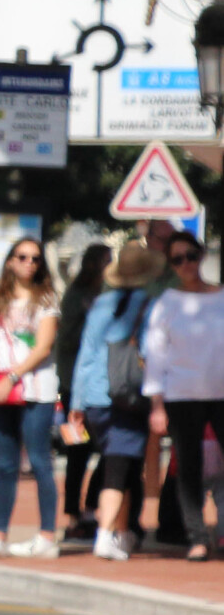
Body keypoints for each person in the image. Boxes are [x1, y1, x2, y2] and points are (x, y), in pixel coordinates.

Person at [67, 242, 160, 560]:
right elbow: (151, 353)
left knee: (123, 464)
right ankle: (105, 534)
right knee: (118, 469)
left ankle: (123, 533)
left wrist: (76, 404)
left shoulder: (101, 304)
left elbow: (86, 355)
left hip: (95, 398)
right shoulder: (149, 306)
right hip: (128, 397)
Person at [0, 239, 60, 557]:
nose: (29, 263)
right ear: (10, 261)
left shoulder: (46, 299)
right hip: (2, 391)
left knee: (40, 462)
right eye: (22, 257)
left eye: (35, 259)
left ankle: (47, 535)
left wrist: (12, 378)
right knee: (5, 464)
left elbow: (43, 347)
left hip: (35, 390)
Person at [145, 232, 224, 562]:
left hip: (220, 394)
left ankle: (220, 532)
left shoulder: (221, 297)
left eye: (190, 256)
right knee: (188, 469)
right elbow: (155, 356)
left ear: (201, 255)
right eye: (178, 259)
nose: (186, 264)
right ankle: (196, 537)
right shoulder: (166, 303)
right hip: (181, 395)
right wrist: (157, 405)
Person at [54, 242, 111, 540]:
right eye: (105, 262)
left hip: (102, 386)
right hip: (71, 385)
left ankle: (89, 508)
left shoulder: (107, 295)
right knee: (77, 451)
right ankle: (73, 514)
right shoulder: (77, 296)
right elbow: (64, 339)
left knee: (108, 449)